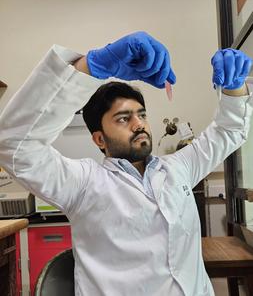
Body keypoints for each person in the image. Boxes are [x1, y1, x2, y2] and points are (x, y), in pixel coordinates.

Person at [0, 31, 252, 296]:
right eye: (123, 119)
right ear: (99, 138)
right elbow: (14, 145)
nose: (139, 124)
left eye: (141, 114)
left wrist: (234, 87)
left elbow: (228, 132)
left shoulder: (178, 168)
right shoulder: (84, 182)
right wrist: (89, 66)